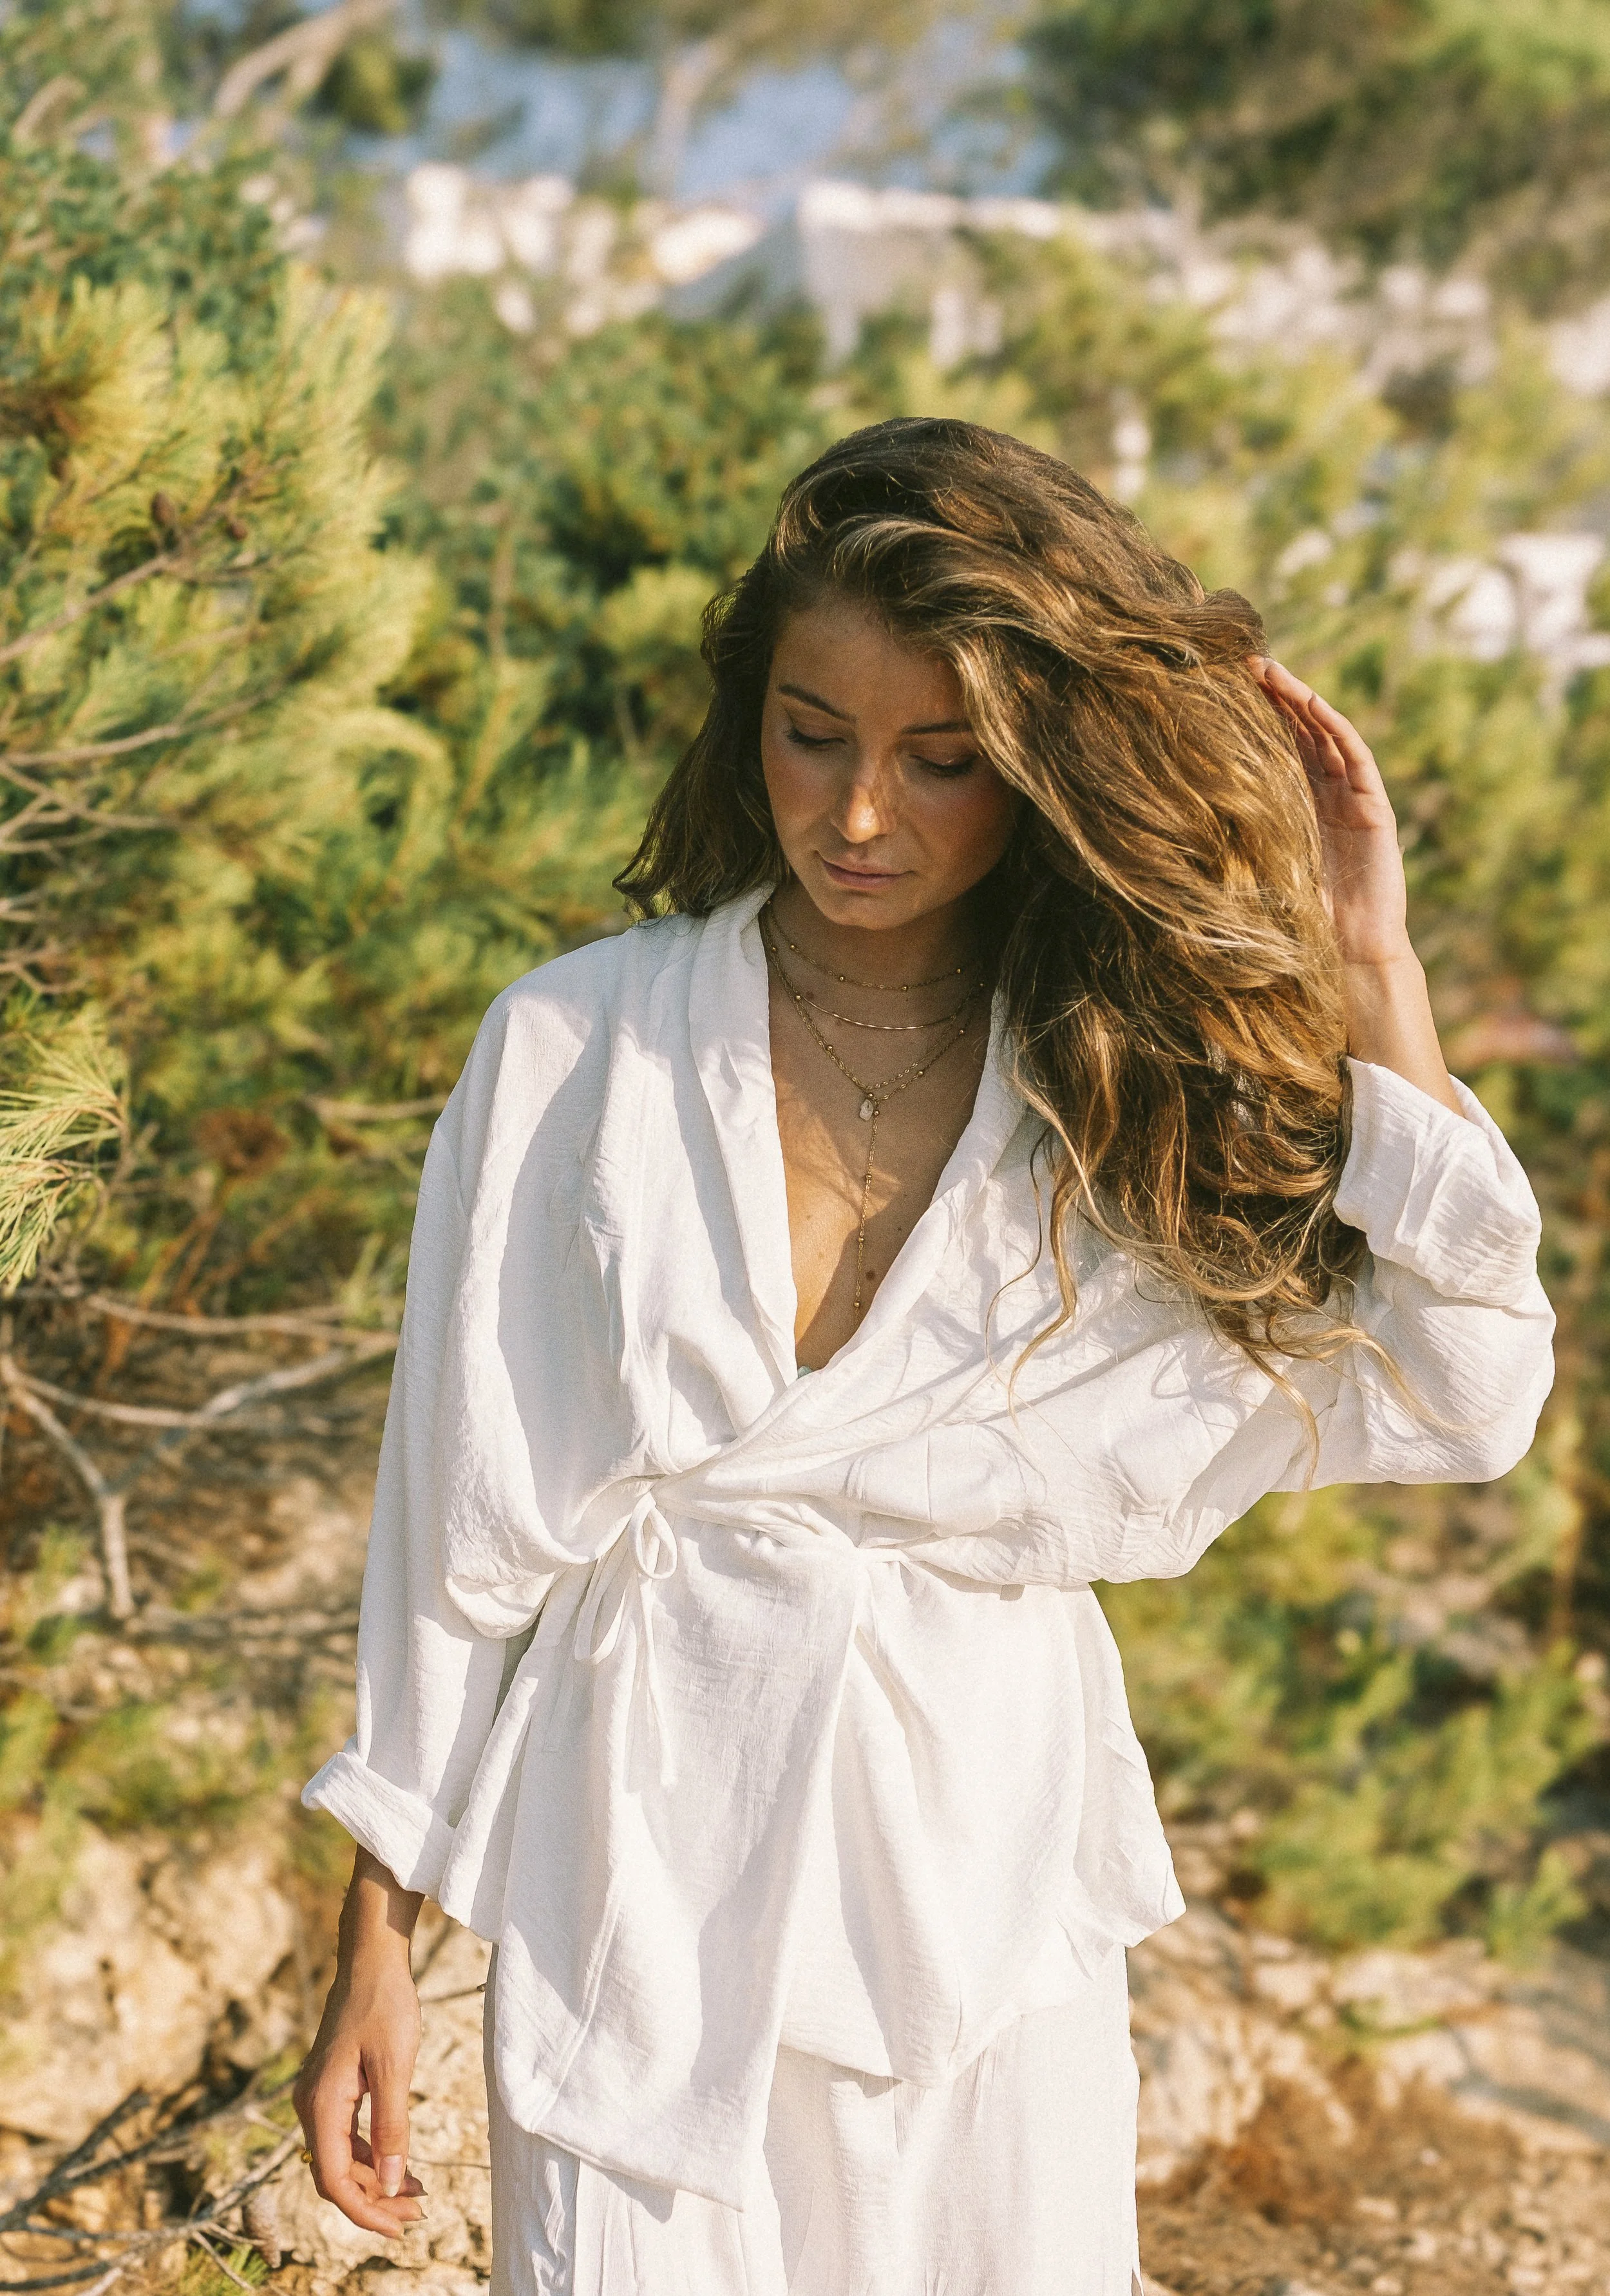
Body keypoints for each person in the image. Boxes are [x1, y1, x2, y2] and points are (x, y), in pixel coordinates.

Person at [294, 418, 1554, 2296]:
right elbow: (455, 1524)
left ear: (1039, 766)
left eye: (941, 758)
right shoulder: (577, 1050)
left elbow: (1469, 1385)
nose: (860, 814)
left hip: (984, 1880)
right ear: (749, 722)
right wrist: (377, 1944)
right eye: (812, 733)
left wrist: (1372, 968)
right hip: (637, 1863)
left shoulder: (1125, 1092)